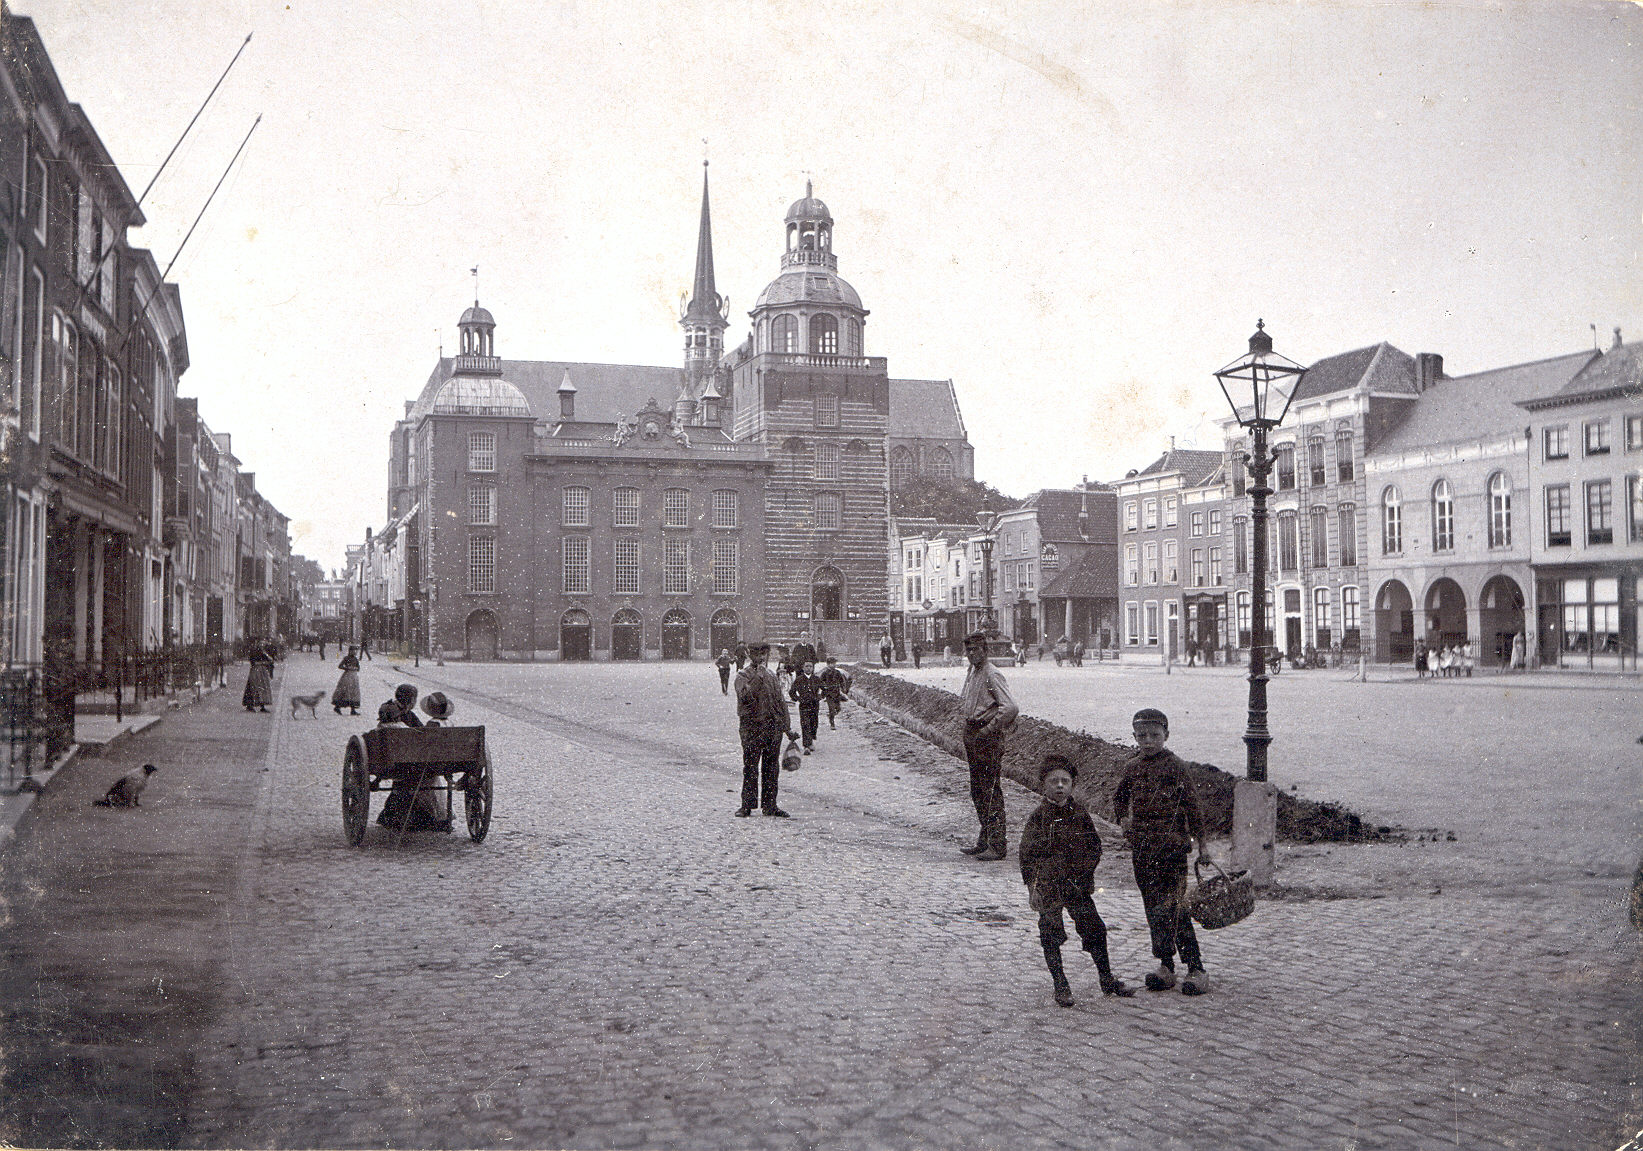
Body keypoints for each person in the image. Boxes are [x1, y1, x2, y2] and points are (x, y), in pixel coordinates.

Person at [1020, 754, 1135, 1006]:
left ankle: (1106, 979)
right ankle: (1060, 984)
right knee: (1050, 932)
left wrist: (1085, 874)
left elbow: (1094, 846)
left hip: (1077, 885)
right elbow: (1026, 855)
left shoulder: (1080, 813)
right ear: (1044, 785)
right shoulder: (1038, 818)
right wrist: (1033, 887)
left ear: (1072, 785)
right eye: (1053, 781)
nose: (1060, 786)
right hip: (1050, 886)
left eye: (1065, 781)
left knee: (1095, 929)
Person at [1113, 708, 1208, 996]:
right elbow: (1119, 799)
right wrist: (1124, 820)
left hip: (1172, 850)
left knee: (1177, 908)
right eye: (1142, 736)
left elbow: (1194, 808)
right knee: (1154, 909)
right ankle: (1166, 966)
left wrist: (1203, 846)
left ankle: (1196, 968)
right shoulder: (1132, 767)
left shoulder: (1176, 766)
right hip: (1142, 850)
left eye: (1155, 735)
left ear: (1166, 735)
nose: (1148, 741)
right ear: (1134, 737)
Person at [959, 631, 1019, 861]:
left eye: (976, 649)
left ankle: (997, 844)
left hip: (987, 738)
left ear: (985, 650)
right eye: (969, 651)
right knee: (978, 791)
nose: (972, 654)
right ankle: (984, 840)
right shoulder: (973, 672)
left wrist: (988, 728)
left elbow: (1010, 707)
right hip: (974, 734)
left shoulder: (992, 674)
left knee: (990, 791)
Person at [734, 642, 799, 817]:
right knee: (750, 767)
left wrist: (787, 728)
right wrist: (758, 678)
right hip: (752, 728)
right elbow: (746, 698)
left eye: (764, 655)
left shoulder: (771, 675)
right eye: (757, 655)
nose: (761, 658)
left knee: (771, 768)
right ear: (750, 655)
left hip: (772, 728)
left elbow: (780, 703)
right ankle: (746, 806)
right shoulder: (742, 676)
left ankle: (770, 805)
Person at [376, 685, 449, 832]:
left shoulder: (393, 713)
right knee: (426, 776)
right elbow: (422, 732)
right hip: (413, 762)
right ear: (412, 700)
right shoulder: (406, 716)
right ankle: (429, 816)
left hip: (398, 762)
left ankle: (400, 816)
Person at [789, 660, 823, 754]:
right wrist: (798, 698)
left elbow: (824, 689)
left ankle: (811, 739)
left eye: (810, 666)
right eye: (807, 666)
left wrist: (819, 697)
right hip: (804, 705)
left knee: (814, 723)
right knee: (805, 724)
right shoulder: (799, 679)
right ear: (803, 668)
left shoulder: (816, 679)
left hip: (814, 705)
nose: (809, 668)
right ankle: (806, 746)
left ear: (813, 668)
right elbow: (791, 692)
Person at [819, 656, 852, 729]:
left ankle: (831, 715)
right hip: (829, 694)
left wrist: (844, 689)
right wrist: (824, 688)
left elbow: (842, 681)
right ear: (828, 664)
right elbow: (820, 682)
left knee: (838, 708)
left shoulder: (837, 672)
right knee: (831, 708)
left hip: (837, 693)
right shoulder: (825, 673)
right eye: (832, 663)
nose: (834, 665)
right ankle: (832, 724)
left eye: (834, 663)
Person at [242, 642, 275, 712]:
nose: (261, 645)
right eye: (260, 643)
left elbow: (271, 660)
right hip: (256, 671)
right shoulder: (254, 651)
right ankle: (250, 705)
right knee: (254, 687)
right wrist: (264, 662)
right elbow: (253, 662)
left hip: (261, 672)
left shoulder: (263, 652)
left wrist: (266, 657)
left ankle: (261, 705)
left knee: (261, 688)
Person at [332, 646, 362, 715]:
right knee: (345, 691)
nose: (354, 652)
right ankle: (338, 706)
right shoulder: (346, 658)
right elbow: (340, 666)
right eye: (353, 651)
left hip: (354, 677)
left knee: (353, 692)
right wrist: (347, 668)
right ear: (350, 651)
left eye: (355, 651)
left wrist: (355, 668)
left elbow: (358, 668)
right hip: (347, 676)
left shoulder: (356, 659)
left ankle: (353, 710)